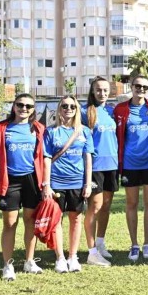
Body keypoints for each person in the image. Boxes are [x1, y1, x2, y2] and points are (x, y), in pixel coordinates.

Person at [0, 93, 45, 280]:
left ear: (33, 110)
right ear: (14, 106)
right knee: (9, 223)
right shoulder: (2, 128)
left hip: (32, 179)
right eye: (20, 105)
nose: (24, 109)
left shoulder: (39, 129)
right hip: (10, 180)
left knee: (30, 221)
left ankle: (29, 261)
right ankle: (8, 265)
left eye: (28, 106)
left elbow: (44, 157)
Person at [43, 96, 94, 273]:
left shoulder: (84, 131)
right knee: (57, 220)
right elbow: (47, 158)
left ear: (77, 109)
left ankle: (73, 256)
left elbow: (88, 158)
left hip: (77, 182)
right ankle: (60, 257)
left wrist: (88, 184)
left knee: (76, 218)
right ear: (59, 109)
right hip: (56, 182)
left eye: (72, 106)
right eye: (64, 106)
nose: (68, 109)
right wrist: (46, 184)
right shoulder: (51, 132)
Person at [113, 76, 148, 262]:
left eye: (144, 86)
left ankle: (147, 243)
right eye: (138, 86)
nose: (141, 89)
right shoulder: (121, 109)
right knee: (131, 205)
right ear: (131, 87)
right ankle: (134, 244)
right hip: (130, 164)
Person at [83, 77, 118, 267]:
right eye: (98, 90)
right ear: (93, 91)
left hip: (111, 165)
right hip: (94, 167)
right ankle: (91, 253)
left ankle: (100, 243)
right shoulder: (84, 112)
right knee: (94, 208)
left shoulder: (112, 111)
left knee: (105, 206)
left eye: (105, 90)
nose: (102, 93)